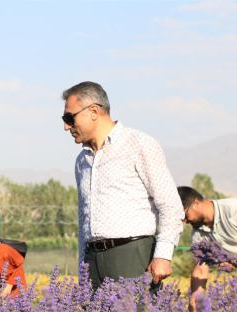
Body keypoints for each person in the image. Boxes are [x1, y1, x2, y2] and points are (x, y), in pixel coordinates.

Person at [62, 81, 183, 290]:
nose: (66, 126)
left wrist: (163, 255)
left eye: (69, 118)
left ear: (93, 111)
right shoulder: (82, 161)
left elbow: (170, 205)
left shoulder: (138, 144)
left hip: (131, 255)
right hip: (93, 260)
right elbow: (84, 219)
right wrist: (83, 266)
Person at [178, 186, 237, 312]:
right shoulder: (198, 234)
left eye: (184, 215)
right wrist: (196, 294)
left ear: (195, 203)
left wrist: (236, 262)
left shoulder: (235, 209)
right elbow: (201, 267)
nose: (184, 222)